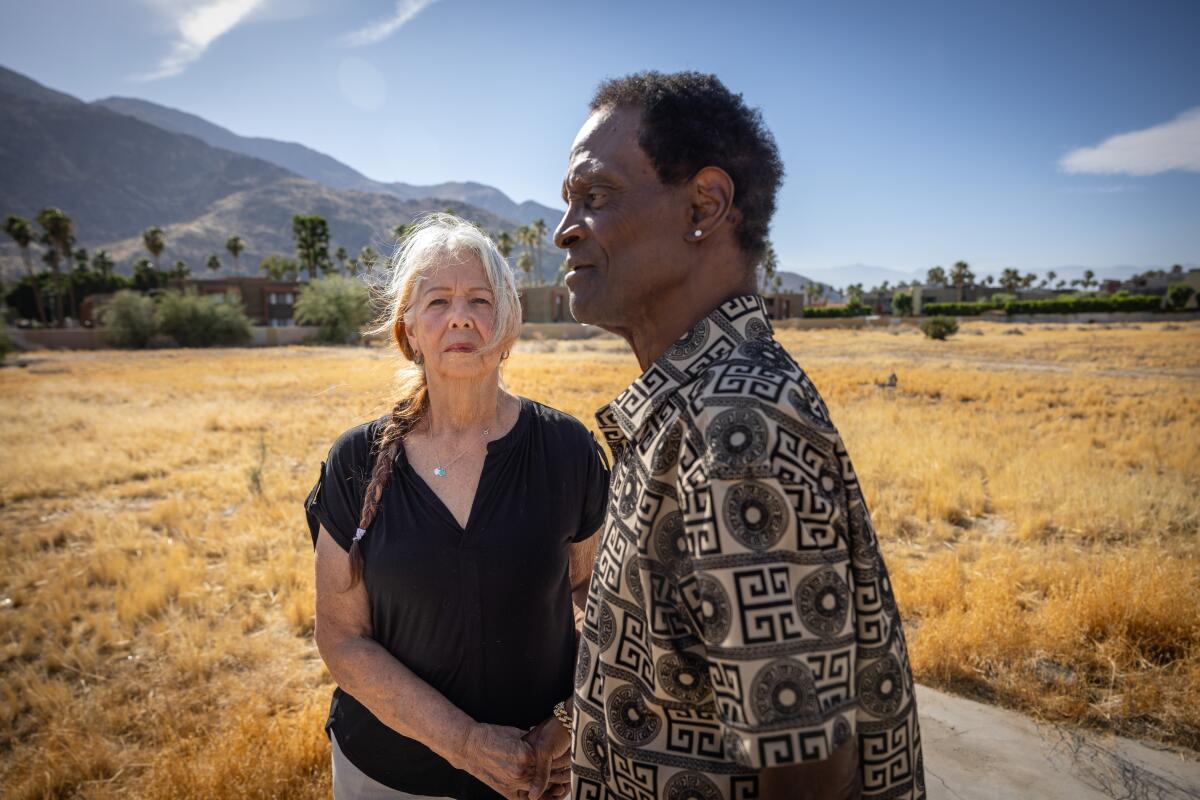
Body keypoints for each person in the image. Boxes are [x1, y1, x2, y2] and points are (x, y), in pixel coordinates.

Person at [556, 73, 925, 799]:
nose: (564, 228)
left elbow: (809, 774)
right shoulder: (688, 405)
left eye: (594, 196)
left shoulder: (735, 429)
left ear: (705, 205)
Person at [305, 214, 609, 799]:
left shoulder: (566, 449)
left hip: (539, 773)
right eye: (438, 300)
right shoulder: (356, 461)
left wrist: (568, 722)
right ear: (409, 330)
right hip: (388, 776)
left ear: (508, 325)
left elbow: (595, 594)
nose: (461, 316)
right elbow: (342, 637)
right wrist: (464, 742)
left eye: (479, 299)